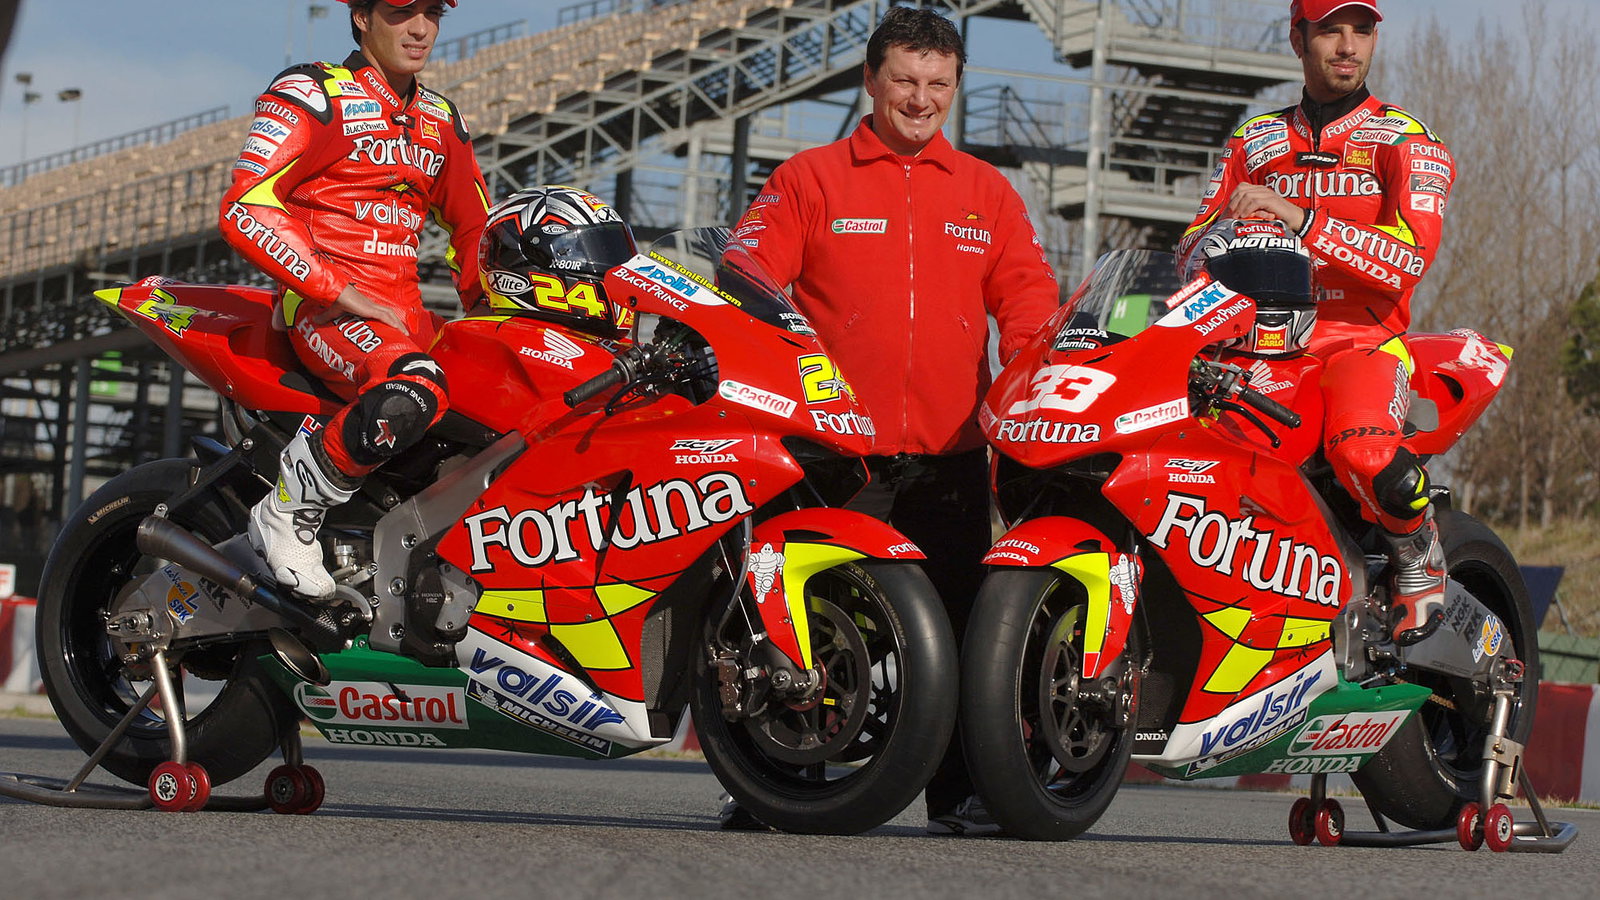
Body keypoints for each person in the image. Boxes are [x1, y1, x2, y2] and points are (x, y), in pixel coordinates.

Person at [724, 6, 1059, 835]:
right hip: (833, 452)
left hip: (951, 453)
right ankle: (770, 782)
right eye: (904, 81)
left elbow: (1028, 297)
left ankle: (962, 794)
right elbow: (749, 271)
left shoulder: (987, 191)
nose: (920, 99)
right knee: (802, 624)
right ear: (871, 82)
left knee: (960, 633)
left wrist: (1032, 368)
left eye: (937, 84)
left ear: (955, 86)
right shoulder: (810, 178)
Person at [1178, 0, 1455, 645]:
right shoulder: (1253, 139)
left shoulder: (1410, 138)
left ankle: (1419, 550)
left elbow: (1408, 259)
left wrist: (1300, 222)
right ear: (1299, 37)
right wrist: (1227, 236)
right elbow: (1189, 248)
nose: (1348, 45)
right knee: (1189, 463)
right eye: (1331, 29)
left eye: (1362, 30)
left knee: (1361, 450)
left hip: (1362, 344)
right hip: (1254, 348)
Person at [219, 0, 488, 603]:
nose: (421, 29)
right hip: (323, 310)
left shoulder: (442, 119)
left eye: (433, 14)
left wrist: (495, 318)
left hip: (405, 315)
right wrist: (338, 291)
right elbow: (246, 205)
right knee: (415, 386)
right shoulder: (310, 93)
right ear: (362, 16)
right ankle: (288, 508)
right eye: (401, 12)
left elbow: (476, 230)